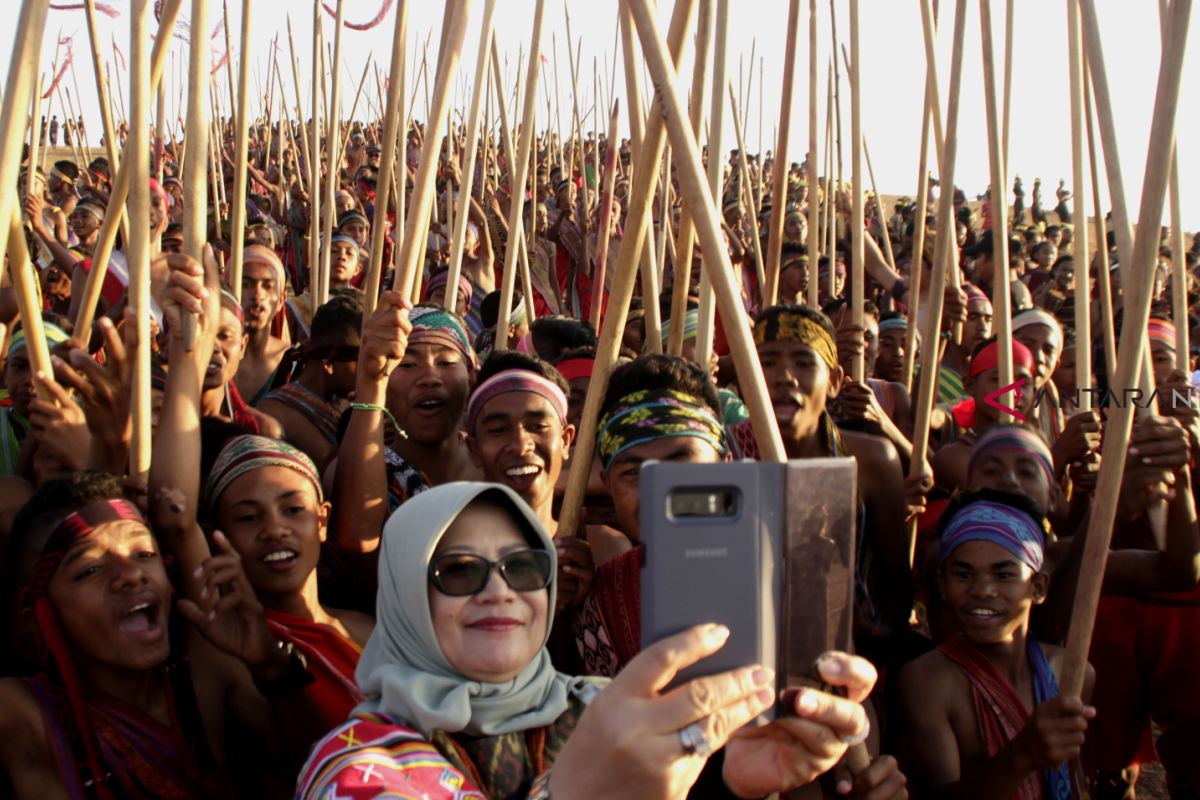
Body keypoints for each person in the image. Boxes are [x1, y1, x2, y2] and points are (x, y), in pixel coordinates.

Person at [297, 481, 895, 799]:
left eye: (523, 566)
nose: (498, 591)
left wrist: (728, 786)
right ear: (404, 598)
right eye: (457, 571)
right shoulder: (357, 765)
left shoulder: (603, 708)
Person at [897, 492, 1095, 799]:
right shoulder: (928, 681)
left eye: (1004, 575)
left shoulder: (1071, 672)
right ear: (943, 586)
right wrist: (1021, 755)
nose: (983, 590)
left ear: (1038, 588)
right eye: (963, 574)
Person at [259, 293, 362, 470]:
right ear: (329, 364)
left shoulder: (346, 402)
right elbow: (338, 467)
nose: (368, 372)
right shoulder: (276, 412)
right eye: (363, 361)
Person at [235, 244, 291, 404]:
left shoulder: (292, 363)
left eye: (267, 286)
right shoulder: (212, 357)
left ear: (281, 300)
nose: (257, 294)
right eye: (246, 284)